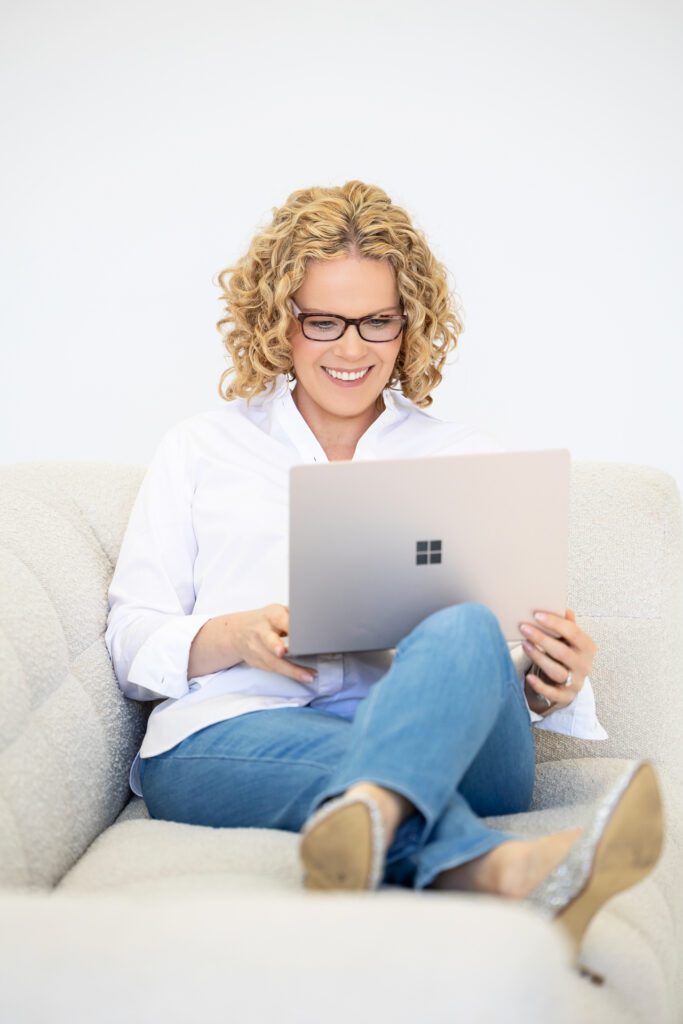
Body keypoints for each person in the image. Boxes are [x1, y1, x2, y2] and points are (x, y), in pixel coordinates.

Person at [105, 180, 662, 978]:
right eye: (322, 321)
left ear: (410, 326)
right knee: (355, 768)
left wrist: (551, 686)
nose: (351, 348)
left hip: (453, 743)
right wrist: (231, 635)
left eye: (377, 322)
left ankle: (370, 812)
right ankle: (499, 868)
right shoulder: (200, 450)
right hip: (234, 737)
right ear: (278, 320)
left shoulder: (465, 459)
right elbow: (130, 638)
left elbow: (501, 649)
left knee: (464, 624)